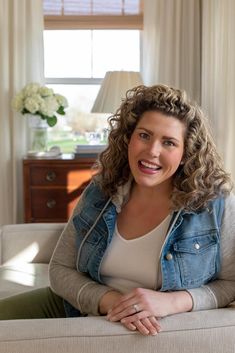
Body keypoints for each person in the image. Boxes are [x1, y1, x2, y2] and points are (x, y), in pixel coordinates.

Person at [1, 84, 235, 336]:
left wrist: (173, 302)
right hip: (77, 309)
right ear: (128, 138)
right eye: (144, 135)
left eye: (168, 142)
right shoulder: (101, 189)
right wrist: (110, 300)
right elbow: (60, 269)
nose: (152, 151)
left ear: (186, 152)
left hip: (155, 328)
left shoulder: (214, 202)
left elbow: (231, 283)